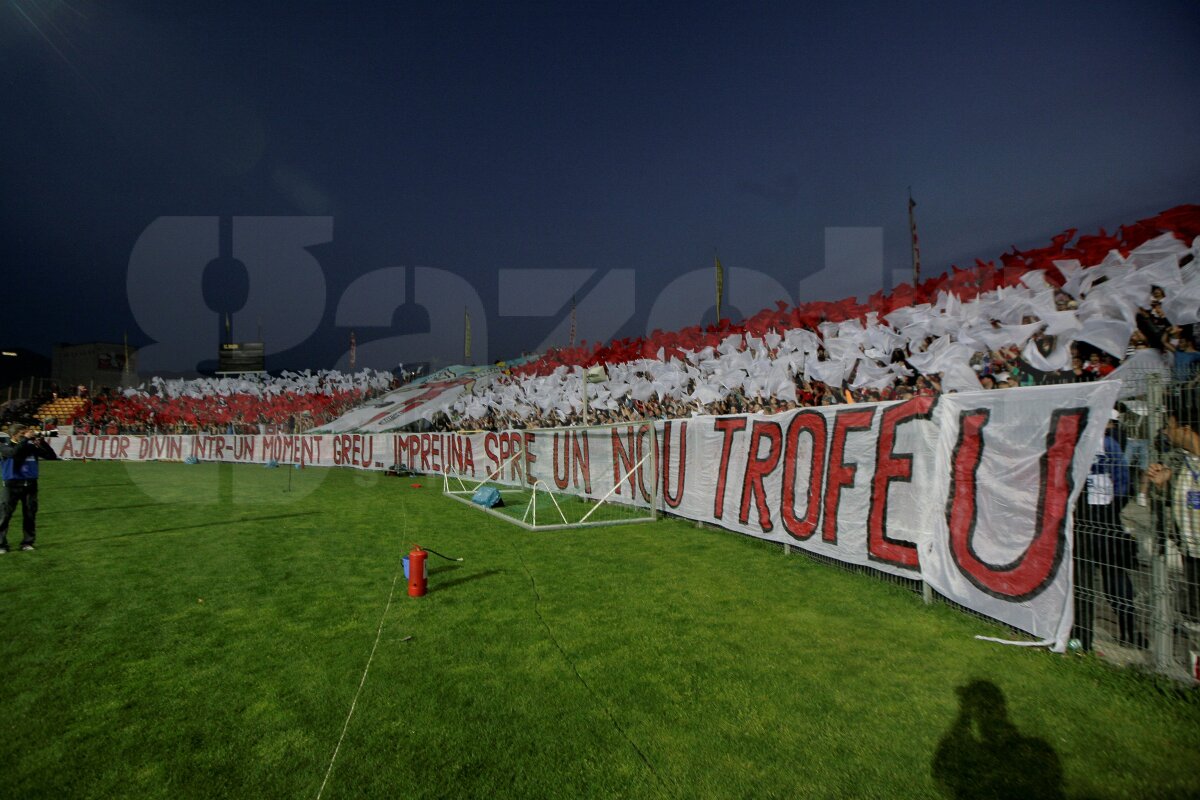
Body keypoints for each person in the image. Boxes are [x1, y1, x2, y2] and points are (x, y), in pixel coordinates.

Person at [0, 424, 59, 553]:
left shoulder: (31, 447)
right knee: (4, 515)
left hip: (30, 485)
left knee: (30, 515)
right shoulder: (4, 446)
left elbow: (51, 456)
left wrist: (42, 441)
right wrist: (26, 440)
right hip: (12, 486)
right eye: (23, 432)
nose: (27, 434)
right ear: (14, 434)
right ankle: (1, 544)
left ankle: (27, 542)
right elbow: (14, 454)